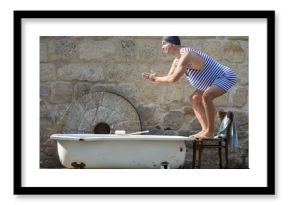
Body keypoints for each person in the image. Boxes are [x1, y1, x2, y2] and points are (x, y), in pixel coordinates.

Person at [142, 36, 237, 140]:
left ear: (173, 43)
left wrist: (156, 79)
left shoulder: (187, 55)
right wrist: (154, 78)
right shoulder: (177, 60)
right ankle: (204, 130)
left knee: (207, 96)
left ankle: (210, 132)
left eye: (164, 43)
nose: (162, 46)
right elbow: (169, 77)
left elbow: (174, 79)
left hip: (225, 76)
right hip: (211, 81)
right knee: (194, 98)